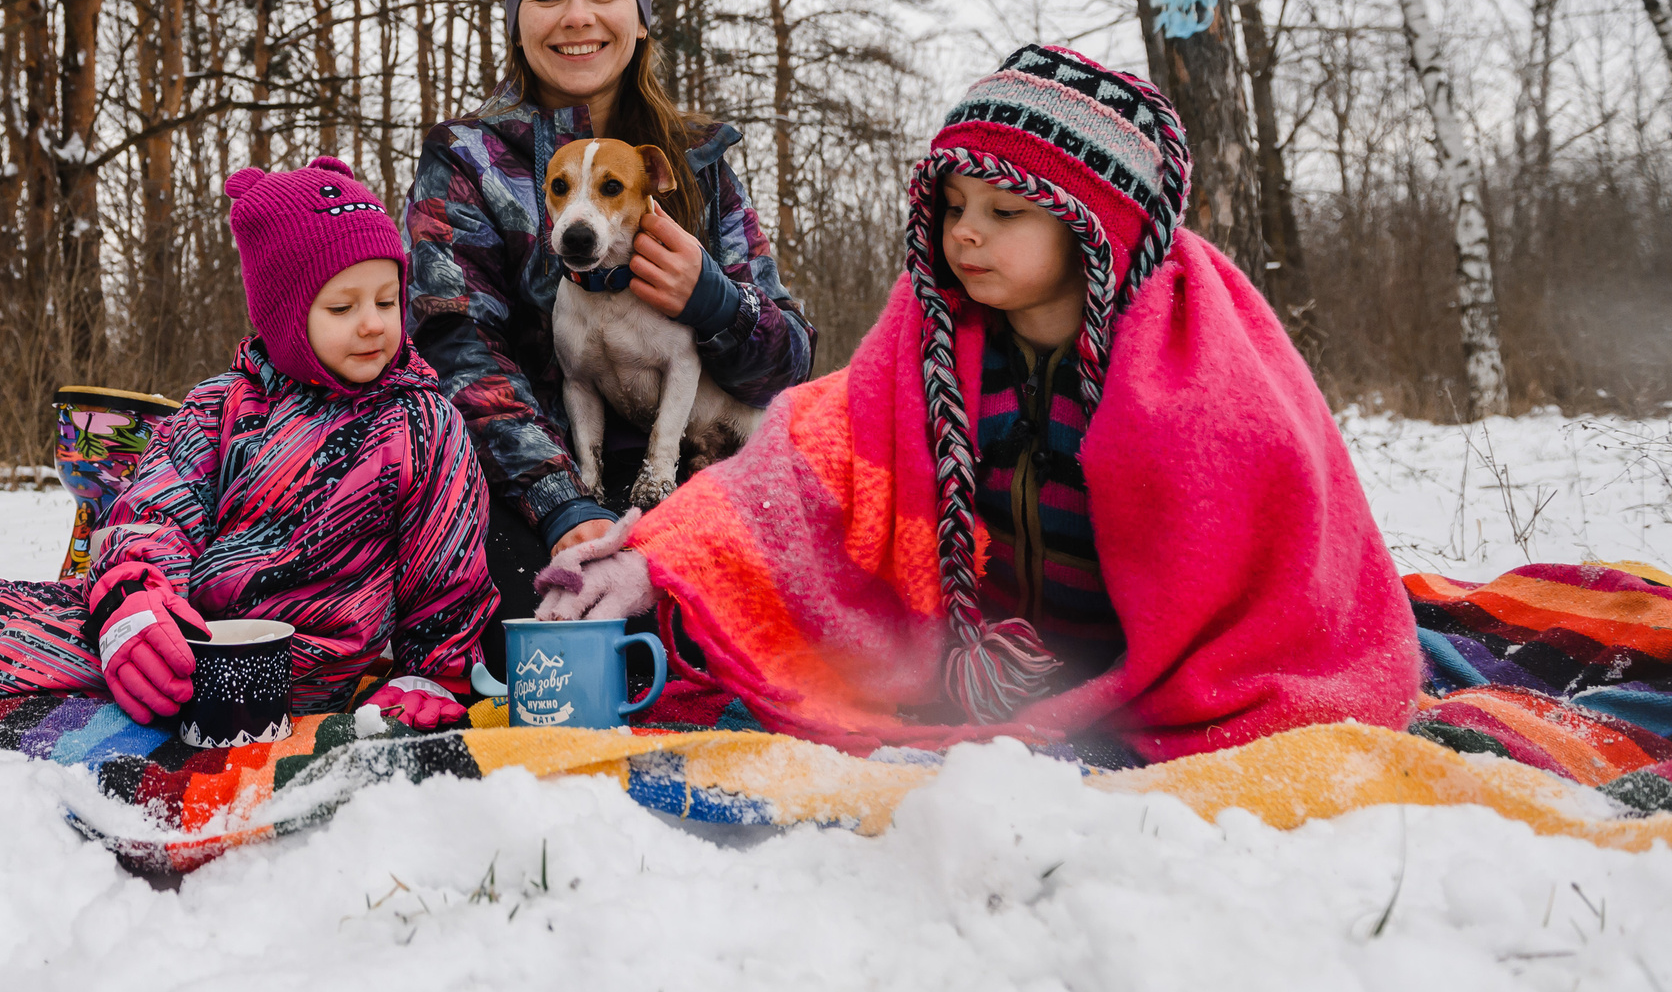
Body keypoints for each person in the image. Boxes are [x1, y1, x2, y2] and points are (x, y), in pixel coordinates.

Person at [536, 45, 1420, 759]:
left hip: (1149, 665)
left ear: (1092, 225)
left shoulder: (1200, 374)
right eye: (955, 204)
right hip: (986, 665)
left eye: (1005, 212)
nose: (964, 233)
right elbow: (803, 465)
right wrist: (657, 558)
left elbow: (1283, 544)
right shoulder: (931, 345)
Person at [0, 159, 496, 736]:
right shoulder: (223, 408)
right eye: (342, 307)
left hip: (311, 671)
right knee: (9, 617)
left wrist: (429, 672)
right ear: (284, 316)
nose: (372, 324)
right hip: (178, 642)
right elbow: (150, 515)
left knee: (39, 642)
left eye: (385, 299)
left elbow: (448, 575)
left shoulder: (422, 424)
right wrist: (134, 603)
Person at [402, 0, 814, 647]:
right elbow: (455, 351)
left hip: (706, 469)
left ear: (641, 18)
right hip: (533, 491)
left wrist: (718, 304)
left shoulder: (696, 158)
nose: (577, 17)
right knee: (538, 635)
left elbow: (789, 362)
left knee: (770, 618)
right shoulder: (467, 159)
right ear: (517, 23)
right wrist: (562, 502)